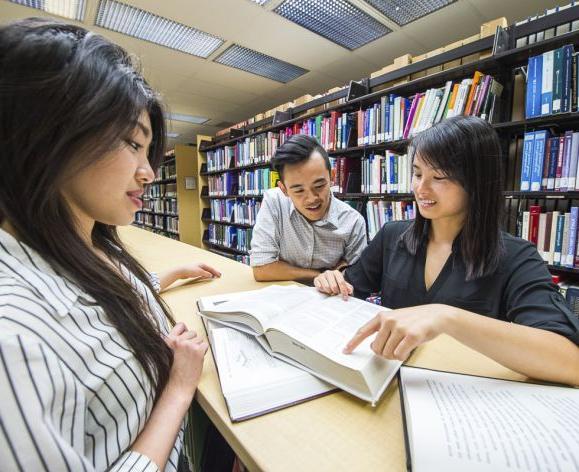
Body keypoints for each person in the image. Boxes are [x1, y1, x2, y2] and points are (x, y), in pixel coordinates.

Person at [0, 18, 221, 471]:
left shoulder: (82, 239)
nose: (149, 172)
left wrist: (163, 279)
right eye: (132, 144)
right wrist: (178, 389)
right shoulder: (12, 338)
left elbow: (92, 307)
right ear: (50, 135)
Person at [314, 115, 579, 386]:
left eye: (439, 177)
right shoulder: (392, 236)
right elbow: (349, 289)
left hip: (460, 396)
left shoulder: (516, 257)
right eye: (417, 173)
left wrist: (447, 318)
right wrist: (332, 280)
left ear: (476, 182)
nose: (421, 188)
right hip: (387, 381)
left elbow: (571, 363)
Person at [250, 134, 367, 283]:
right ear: (283, 189)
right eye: (299, 190)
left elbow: (353, 278)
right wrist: (320, 274)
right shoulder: (274, 202)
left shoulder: (353, 222)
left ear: (332, 176)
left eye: (319, 186)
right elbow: (261, 268)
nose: (312, 199)